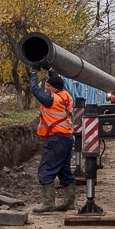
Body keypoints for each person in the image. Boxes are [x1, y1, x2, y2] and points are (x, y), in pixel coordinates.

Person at [29, 66, 77, 213]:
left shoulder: (51, 99)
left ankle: (48, 203)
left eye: (49, 86)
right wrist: (50, 70)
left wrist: (33, 73)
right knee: (64, 171)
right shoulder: (66, 95)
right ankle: (69, 203)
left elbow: (34, 89)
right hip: (66, 139)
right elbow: (58, 82)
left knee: (45, 170)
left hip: (55, 140)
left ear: (55, 89)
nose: (47, 88)